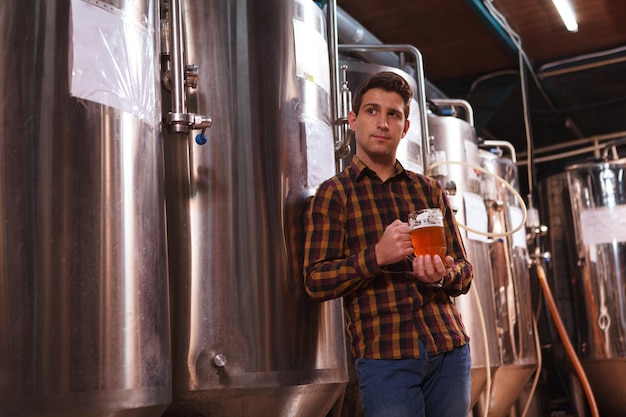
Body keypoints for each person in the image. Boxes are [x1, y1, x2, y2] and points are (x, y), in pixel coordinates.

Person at [303, 71, 474, 417]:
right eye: (371, 111)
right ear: (352, 121)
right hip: (386, 358)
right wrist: (376, 256)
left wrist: (440, 276)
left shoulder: (428, 190)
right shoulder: (334, 194)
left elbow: (465, 270)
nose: (382, 123)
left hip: (449, 348)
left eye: (393, 114)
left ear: (405, 127)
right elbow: (314, 280)